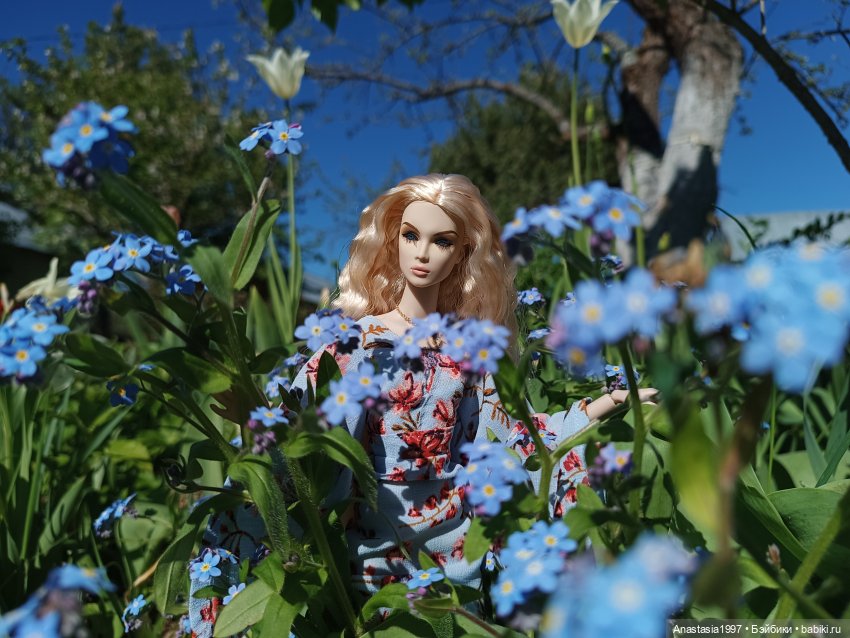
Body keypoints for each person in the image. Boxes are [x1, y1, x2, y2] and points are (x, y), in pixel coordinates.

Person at [188, 174, 652, 632]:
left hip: (457, 543)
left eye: (442, 241)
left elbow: (509, 437)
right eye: (411, 236)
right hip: (377, 541)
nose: (423, 253)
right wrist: (259, 422)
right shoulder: (358, 342)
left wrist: (597, 408)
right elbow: (310, 435)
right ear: (392, 241)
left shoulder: (468, 349)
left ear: (464, 253)